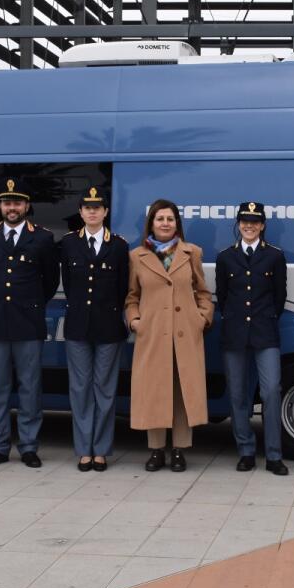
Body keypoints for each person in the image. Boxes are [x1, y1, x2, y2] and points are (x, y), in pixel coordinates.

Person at [0, 179, 60, 468]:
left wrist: (30, 302)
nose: (12, 207)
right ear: (0, 206)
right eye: (7, 202)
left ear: (26, 206)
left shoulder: (44, 238)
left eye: (18, 202)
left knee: (29, 388)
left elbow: (50, 281)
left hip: (28, 322)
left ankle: (28, 447)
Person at [125, 199, 213, 472]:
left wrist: (201, 318)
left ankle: (179, 450)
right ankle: (155, 450)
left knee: (182, 392)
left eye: (170, 219)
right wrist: (135, 321)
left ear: (177, 224)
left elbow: (203, 293)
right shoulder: (136, 256)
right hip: (152, 335)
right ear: (151, 223)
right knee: (155, 391)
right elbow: (132, 297)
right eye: (160, 218)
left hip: (185, 333)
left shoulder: (192, 253)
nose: (165, 223)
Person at [215, 201, 289, 475]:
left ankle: (273, 455)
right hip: (234, 334)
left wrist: (262, 318)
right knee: (238, 395)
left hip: (265, 333)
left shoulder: (274, 256)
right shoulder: (225, 257)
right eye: (245, 221)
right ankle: (245, 451)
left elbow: (278, 298)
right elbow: (223, 298)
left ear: (263, 225)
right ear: (238, 223)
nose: (249, 226)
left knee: (271, 392)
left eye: (255, 221)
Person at [59, 187, 129, 473]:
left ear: (105, 212)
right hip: (77, 327)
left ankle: (100, 450)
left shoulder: (120, 246)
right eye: (87, 208)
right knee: (79, 389)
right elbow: (69, 284)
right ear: (80, 212)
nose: (92, 212)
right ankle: (83, 449)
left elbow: (123, 288)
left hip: (109, 328)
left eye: (97, 207)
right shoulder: (68, 244)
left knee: (105, 390)